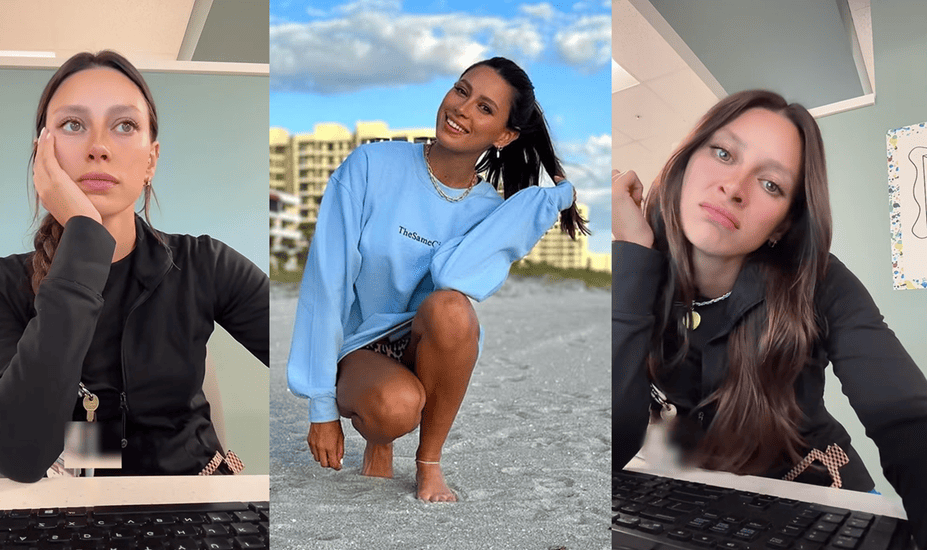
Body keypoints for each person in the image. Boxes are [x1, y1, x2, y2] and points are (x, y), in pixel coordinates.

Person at [611, 89, 927, 547]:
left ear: (782, 224)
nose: (734, 188)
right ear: (684, 163)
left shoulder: (818, 279)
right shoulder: (634, 272)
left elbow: (908, 421)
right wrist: (634, 257)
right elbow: (608, 448)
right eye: (723, 153)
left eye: (771, 184)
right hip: (698, 512)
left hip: (825, 504)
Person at [287, 57, 589, 502]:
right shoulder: (371, 165)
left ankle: (429, 462)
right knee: (395, 409)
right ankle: (380, 437)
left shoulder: (487, 209)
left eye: (485, 108)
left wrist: (552, 199)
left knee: (451, 307)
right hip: (358, 349)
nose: (462, 109)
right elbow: (326, 281)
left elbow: (454, 275)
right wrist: (321, 408)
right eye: (461, 90)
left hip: (424, 347)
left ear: (504, 136)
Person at [0, 51, 268, 482]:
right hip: (79, 509)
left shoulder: (204, 263)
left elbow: (308, 355)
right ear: (42, 155)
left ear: (151, 160)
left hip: (199, 504)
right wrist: (85, 236)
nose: (99, 148)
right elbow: (20, 455)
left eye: (124, 125)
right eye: (74, 124)